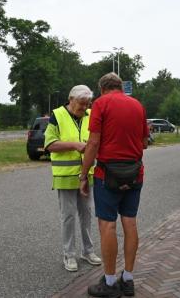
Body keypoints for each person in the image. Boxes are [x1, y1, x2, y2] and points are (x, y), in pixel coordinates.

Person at [79, 73, 149, 297]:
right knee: (130, 223)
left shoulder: (101, 104)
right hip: (135, 173)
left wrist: (83, 175)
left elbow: (93, 142)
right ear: (120, 87)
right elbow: (144, 143)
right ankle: (127, 280)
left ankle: (109, 283)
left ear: (101, 89)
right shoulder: (137, 105)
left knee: (107, 226)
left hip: (107, 174)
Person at [44, 85, 102, 272]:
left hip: (87, 176)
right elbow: (50, 144)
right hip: (65, 177)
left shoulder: (91, 114)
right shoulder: (57, 115)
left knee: (86, 215)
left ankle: (88, 251)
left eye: (87, 104)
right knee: (68, 217)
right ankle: (69, 255)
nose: (84, 108)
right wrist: (74, 145)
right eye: (81, 104)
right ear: (71, 99)